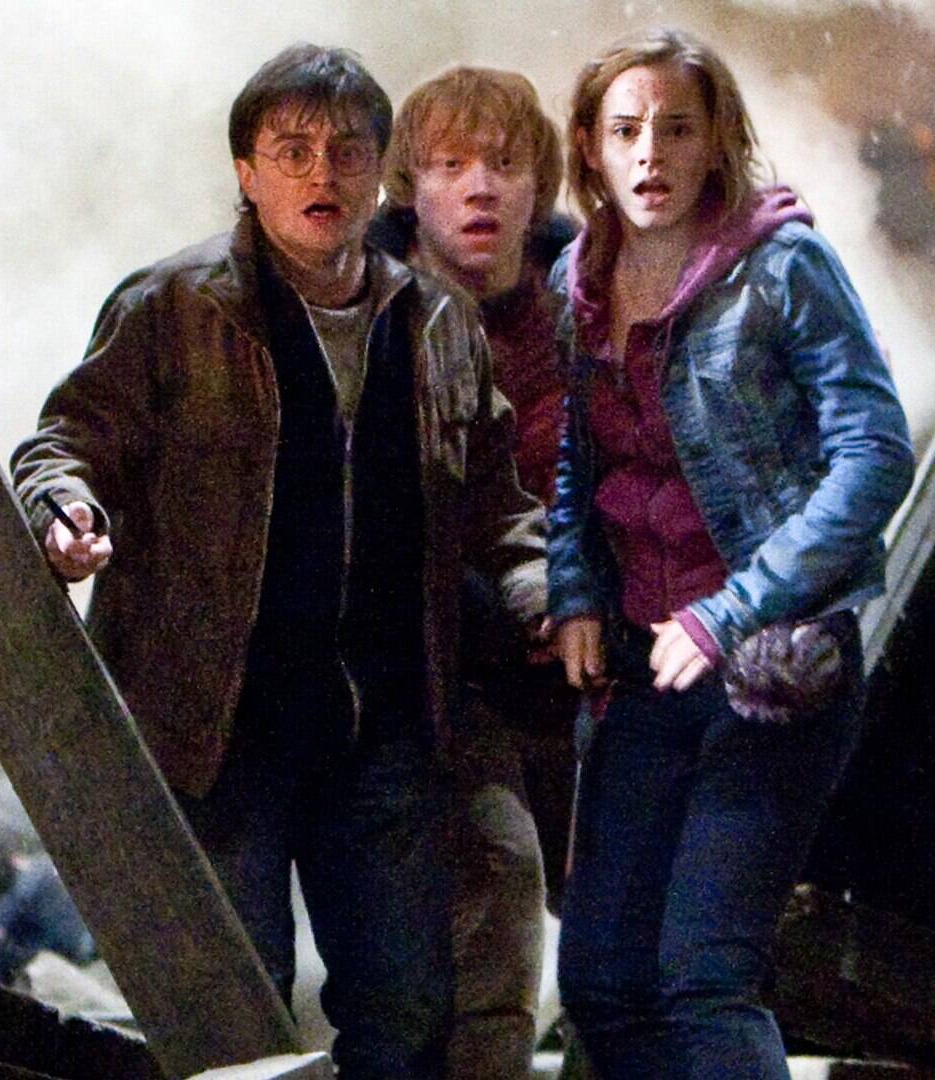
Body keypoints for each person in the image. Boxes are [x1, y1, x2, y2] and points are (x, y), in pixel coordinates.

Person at [10, 43, 547, 1080]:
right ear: (246, 173)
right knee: (231, 1014)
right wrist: (65, 512)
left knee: (407, 1009)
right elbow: (67, 441)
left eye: (347, 150)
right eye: (291, 151)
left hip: (379, 725)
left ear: (381, 172)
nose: (321, 173)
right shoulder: (173, 305)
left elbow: (496, 506)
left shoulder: (438, 323)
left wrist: (540, 592)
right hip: (218, 723)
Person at [547, 27, 915, 1079]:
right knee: (603, 983)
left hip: (771, 670)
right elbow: (580, 456)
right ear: (592, 149)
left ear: (716, 143)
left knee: (704, 978)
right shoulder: (582, 275)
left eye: (676, 129)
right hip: (643, 670)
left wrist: (732, 611)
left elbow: (875, 453)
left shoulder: (781, 264)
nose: (650, 154)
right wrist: (575, 590)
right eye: (626, 131)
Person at [370, 66, 579, 1080]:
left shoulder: (596, 305)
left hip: (580, 652)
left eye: (503, 163)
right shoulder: (362, 312)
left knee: (633, 923)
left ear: (540, 183)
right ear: (410, 187)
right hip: (436, 672)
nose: (481, 187)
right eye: (451, 165)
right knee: (494, 893)